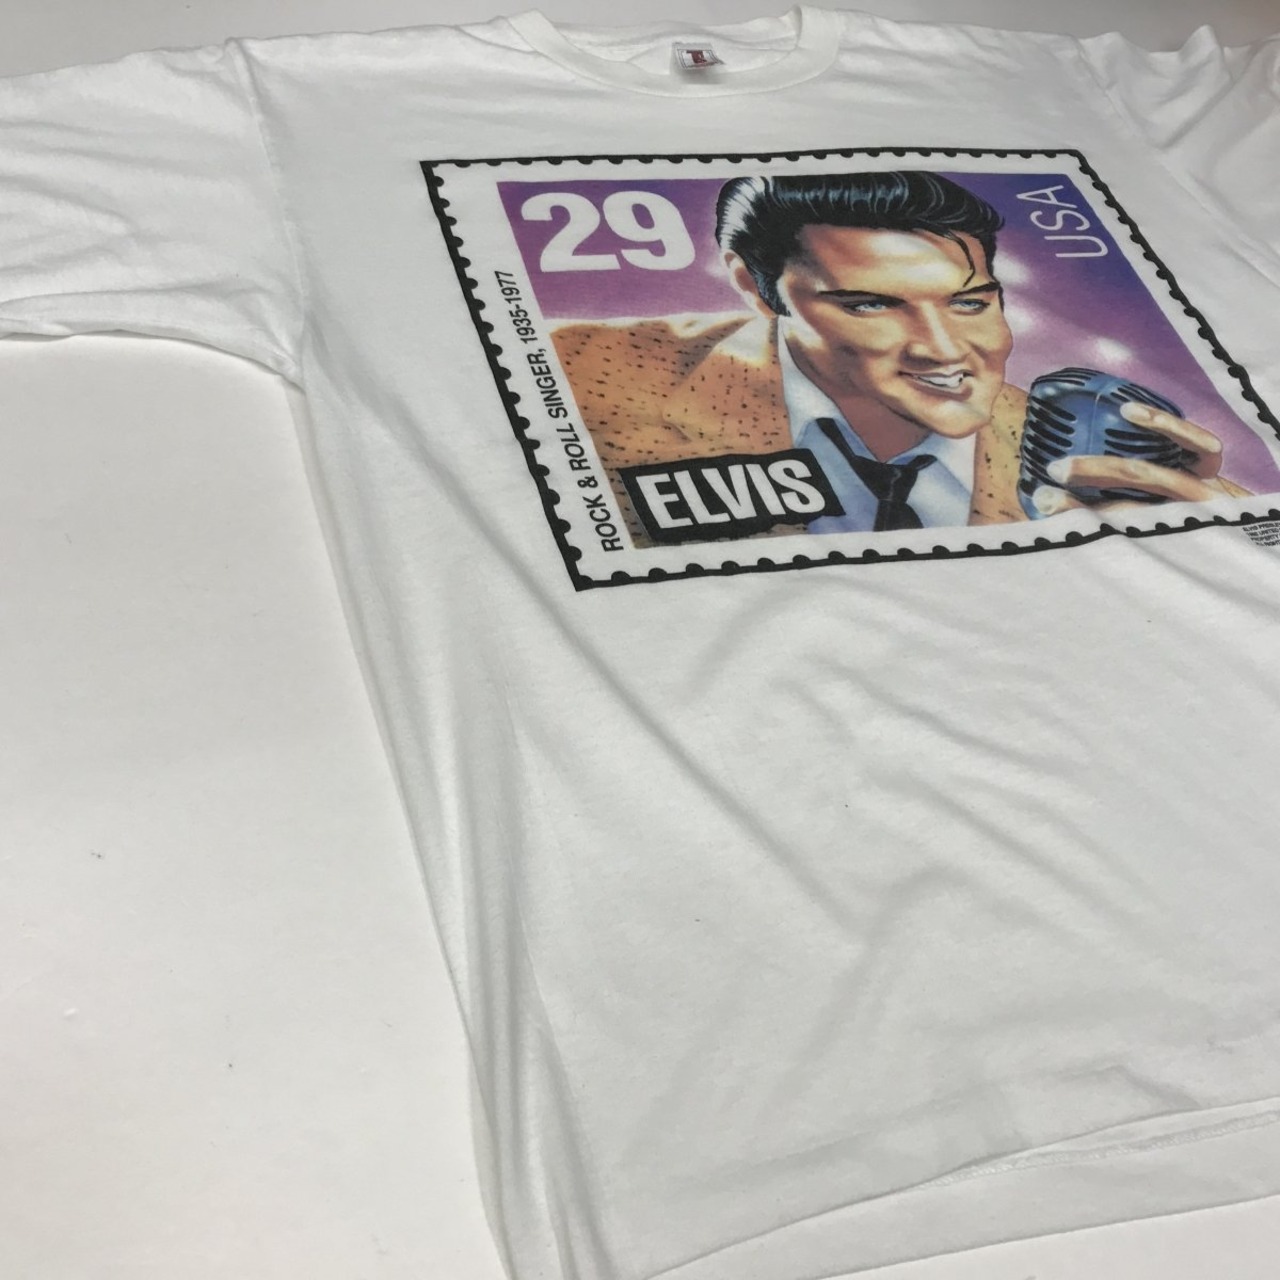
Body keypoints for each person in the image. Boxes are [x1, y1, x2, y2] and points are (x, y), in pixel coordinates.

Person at [551, 171, 1242, 542]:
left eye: (969, 303)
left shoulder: (1081, 458)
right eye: (869, 305)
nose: (942, 349)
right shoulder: (581, 372)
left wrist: (1235, 534)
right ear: (756, 288)